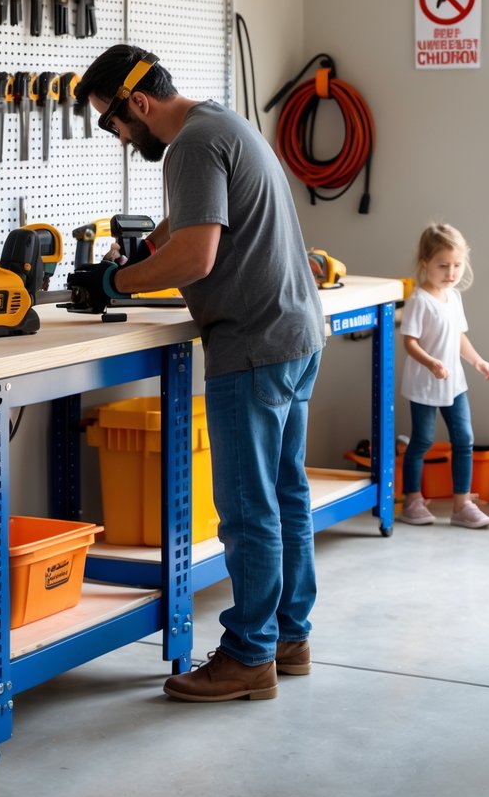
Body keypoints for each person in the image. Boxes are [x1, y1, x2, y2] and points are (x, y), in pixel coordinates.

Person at [74, 44, 325, 702]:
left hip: (252, 343)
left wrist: (115, 279)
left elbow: (197, 254)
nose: (120, 138)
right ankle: (289, 636)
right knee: (285, 492)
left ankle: (248, 654)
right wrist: (146, 247)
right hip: (296, 333)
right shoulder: (223, 123)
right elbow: (189, 223)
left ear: (138, 103)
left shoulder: (187, 145)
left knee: (247, 509)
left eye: (113, 122)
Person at [398, 222, 489, 529]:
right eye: (443, 265)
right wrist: (431, 363)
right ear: (425, 263)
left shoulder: (453, 297)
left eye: (457, 265)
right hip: (425, 384)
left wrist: (477, 361)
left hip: (454, 383)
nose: (451, 273)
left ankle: (462, 504)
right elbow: (409, 342)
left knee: (464, 439)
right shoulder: (419, 300)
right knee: (422, 441)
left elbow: (459, 337)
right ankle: (412, 499)